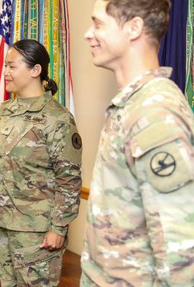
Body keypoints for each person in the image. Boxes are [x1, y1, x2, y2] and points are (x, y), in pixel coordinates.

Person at [81, 0, 194, 286]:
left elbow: (180, 251)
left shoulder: (156, 113)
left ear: (134, 28)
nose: (88, 34)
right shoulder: (132, 104)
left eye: (98, 23)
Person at [0, 39, 82, 287]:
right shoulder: (3, 111)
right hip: (2, 224)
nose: (5, 72)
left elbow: (69, 180)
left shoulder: (57, 118)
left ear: (35, 70)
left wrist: (58, 228)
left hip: (37, 233)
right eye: (5, 66)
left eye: (11, 66)